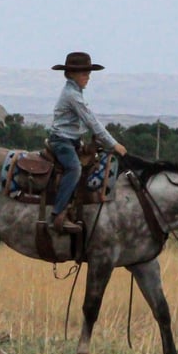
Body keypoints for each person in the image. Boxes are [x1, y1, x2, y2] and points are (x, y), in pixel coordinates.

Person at [48, 52, 127, 233]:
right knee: (74, 169)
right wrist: (113, 144)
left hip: (72, 140)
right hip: (62, 141)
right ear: (72, 74)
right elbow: (92, 121)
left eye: (88, 73)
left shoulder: (76, 92)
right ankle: (57, 214)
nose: (88, 77)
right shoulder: (72, 95)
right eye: (84, 73)